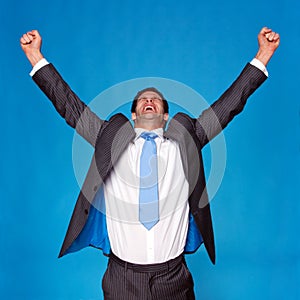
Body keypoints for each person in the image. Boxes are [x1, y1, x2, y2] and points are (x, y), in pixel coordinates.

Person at [20, 27, 280, 300]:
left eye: (155, 99)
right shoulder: (107, 138)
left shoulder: (187, 140)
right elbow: (69, 105)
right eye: (142, 99)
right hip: (122, 279)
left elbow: (228, 106)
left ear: (166, 115)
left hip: (174, 279)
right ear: (133, 114)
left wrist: (263, 54)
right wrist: (35, 56)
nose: (149, 100)